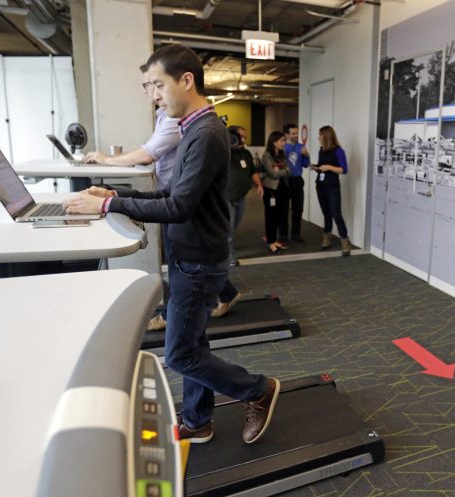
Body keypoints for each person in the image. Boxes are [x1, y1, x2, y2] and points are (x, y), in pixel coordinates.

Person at [63, 44, 280, 445]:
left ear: (187, 80)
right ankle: (198, 420)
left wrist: (109, 204)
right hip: (189, 256)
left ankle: (257, 390)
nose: (154, 97)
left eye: (158, 85)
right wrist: (114, 193)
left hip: (199, 261)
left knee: (180, 354)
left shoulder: (206, 134)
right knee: (194, 343)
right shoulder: (192, 128)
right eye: (148, 87)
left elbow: (178, 207)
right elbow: (171, 192)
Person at [84, 65, 180, 190]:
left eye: (147, 85)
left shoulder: (174, 118)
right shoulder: (163, 114)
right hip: (164, 191)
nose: (145, 91)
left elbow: (146, 156)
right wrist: (108, 158)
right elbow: (146, 150)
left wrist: (106, 159)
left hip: (171, 194)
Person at [313, 125, 353, 256]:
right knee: (326, 213)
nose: (318, 138)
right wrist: (316, 167)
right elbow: (322, 167)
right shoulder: (321, 151)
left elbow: (344, 169)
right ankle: (327, 238)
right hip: (320, 185)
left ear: (326, 136)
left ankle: (345, 240)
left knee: (336, 214)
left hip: (332, 186)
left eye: (320, 135)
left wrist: (329, 167)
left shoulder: (338, 151)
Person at [226, 125, 263, 266]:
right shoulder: (223, 152)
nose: (244, 139)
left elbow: (252, 171)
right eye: (241, 136)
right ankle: (228, 257)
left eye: (245, 137)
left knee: (234, 224)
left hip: (241, 195)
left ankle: (223, 247)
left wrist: (259, 185)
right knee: (228, 228)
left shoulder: (245, 153)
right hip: (227, 197)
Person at [261, 131, 290, 254]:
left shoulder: (282, 155)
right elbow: (273, 174)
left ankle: (274, 239)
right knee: (271, 216)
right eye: (282, 140)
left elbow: (288, 170)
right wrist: (284, 170)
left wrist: (281, 170)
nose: (284, 143)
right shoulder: (267, 155)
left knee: (280, 215)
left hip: (283, 188)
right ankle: (271, 242)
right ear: (274, 142)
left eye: (284, 140)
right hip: (271, 189)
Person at [282, 123, 310, 242]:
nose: (296, 135)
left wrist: (306, 155)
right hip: (284, 180)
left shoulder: (301, 147)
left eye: (297, 133)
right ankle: (283, 235)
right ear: (286, 135)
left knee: (298, 210)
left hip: (298, 180)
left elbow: (306, 164)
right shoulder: (282, 147)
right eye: (293, 133)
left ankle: (296, 234)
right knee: (283, 210)